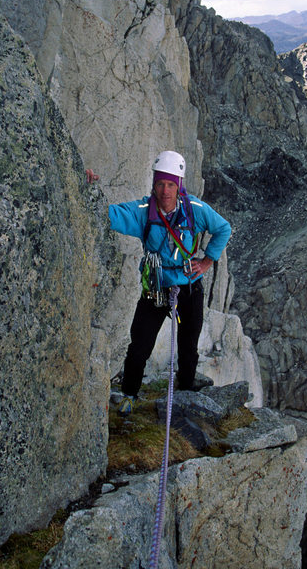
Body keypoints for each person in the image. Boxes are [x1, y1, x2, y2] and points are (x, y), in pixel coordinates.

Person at [108, 151, 231, 416]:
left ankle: (185, 395)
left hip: (188, 288)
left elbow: (223, 228)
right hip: (156, 287)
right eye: (161, 184)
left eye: (171, 184)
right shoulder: (143, 211)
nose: (165, 191)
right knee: (140, 345)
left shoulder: (194, 210)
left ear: (179, 186)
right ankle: (129, 394)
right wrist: (86, 188)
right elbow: (111, 215)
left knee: (188, 347)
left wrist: (208, 260)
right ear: (154, 184)